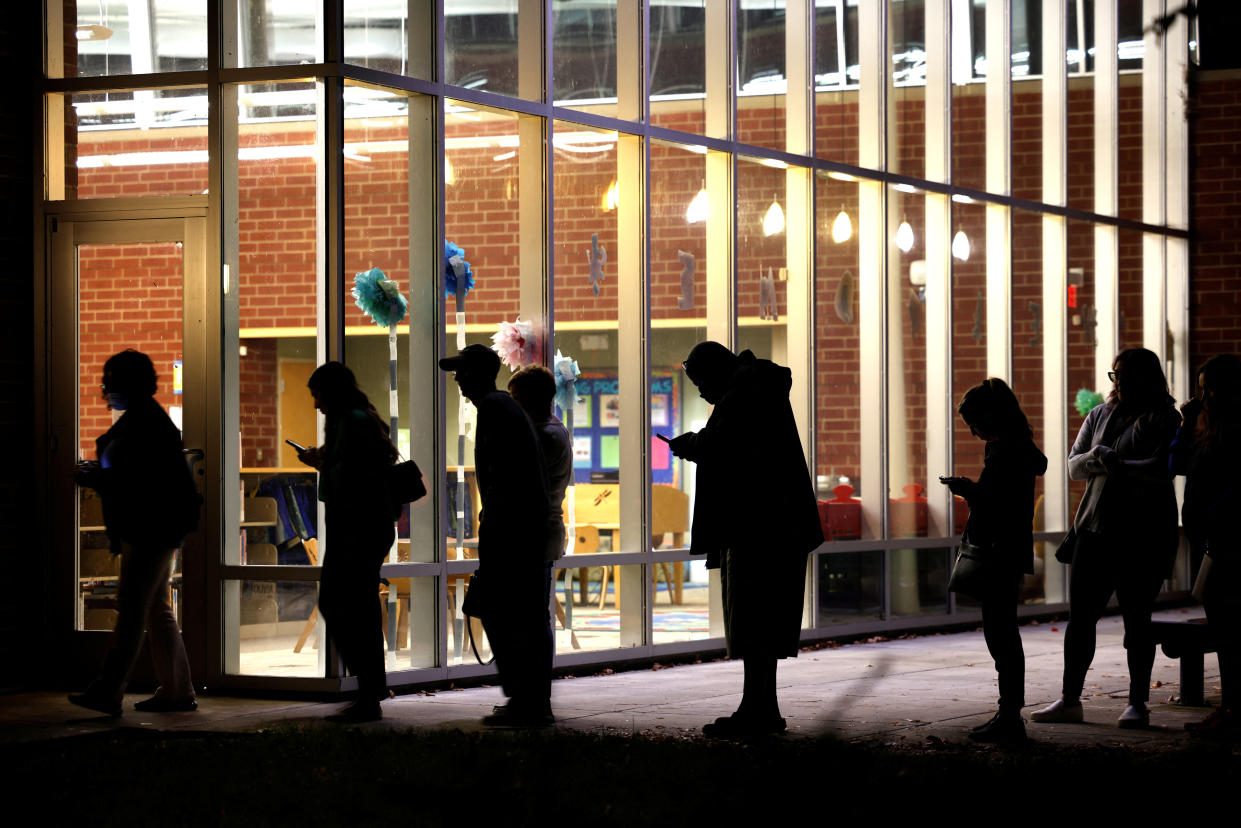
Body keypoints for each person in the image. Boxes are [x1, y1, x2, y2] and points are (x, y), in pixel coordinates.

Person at [668, 341, 824, 738]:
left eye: (700, 382)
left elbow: (724, 446)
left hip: (757, 528)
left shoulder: (743, 391)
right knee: (762, 626)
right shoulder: (758, 387)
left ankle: (758, 711)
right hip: (777, 527)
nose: (701, 392)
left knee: (754, 623)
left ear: (717, 370)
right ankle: (760, 708)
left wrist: (690, 445)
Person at [1032, 347, 1181, 729]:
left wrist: (1115, 465)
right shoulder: (1100, 414)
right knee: (1080, 618)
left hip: (1142, 535)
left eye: (1128, 375)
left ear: (1149, 377)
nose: (1119, 383)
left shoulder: (1165, 417)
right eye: (1116, 375)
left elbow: (1161, 468)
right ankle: (1070, 699)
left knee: (1137, 620)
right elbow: (1072, 465)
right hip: (1095, 530)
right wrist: (1101, 457)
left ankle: (1137, 702)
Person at [69, 350, 200, 716]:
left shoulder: (145, 424)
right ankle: (177, 689)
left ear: (128, 383)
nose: (104, 387)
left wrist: (100, 477)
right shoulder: (146, 420)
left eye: (110, 380)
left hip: (149, 529)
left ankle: (108, 691)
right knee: (155, 607)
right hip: (157, 528)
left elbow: (143, 481)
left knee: (131, 608)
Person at [440, 344, 554, 726]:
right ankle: (530, 701)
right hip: (520, 531)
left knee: (508, 616)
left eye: (460, 371)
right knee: (521, 617)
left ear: (474, 374)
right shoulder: (505, 408)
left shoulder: (493, 409)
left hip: (511, 534)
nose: (456, 378)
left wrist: (493, 531)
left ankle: (526, 702)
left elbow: (503, 480)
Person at [941, 379, 1047, 743]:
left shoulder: (1003, 451)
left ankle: (1009, 714)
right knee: (1003, 633)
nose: (973, 431)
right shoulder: (1021, 446)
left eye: (975, 422)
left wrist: (968, 490)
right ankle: (1008, 712)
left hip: (998, 550)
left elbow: (996, 501)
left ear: (991, 416)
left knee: (1000, 634)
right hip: (1012, 548)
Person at [296, 361, 399, 723]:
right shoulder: (360, 418)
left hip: (357, 527)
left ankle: (369, 691)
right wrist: (323, 460)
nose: (316, 404)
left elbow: (353, 475)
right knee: (358, 608)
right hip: (366, 526)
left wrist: (321, 463)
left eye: (318, 394)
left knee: (342, 605)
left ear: (333, 392)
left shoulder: (351, 421)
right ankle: (371, 689)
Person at [1170, 353, 1241, 734]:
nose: (1204, 396)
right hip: (1207, 537)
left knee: (1230, 626)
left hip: (1228, 540)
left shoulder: (1236, 430)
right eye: (1200, 389)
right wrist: (1186, 421)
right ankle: (1231, 707)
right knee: (1222, 626)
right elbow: (1175, 465)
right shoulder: (1204, 429)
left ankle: (1233, 709)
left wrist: (1217, 513)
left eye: (1209, 388)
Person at [509, 365, 573, 561]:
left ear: (531, 398)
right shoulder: (555, 429)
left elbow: (521, 486)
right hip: (544, 535)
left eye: (516, 397)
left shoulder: (543, 436)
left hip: (534, 537)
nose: (513, 404)